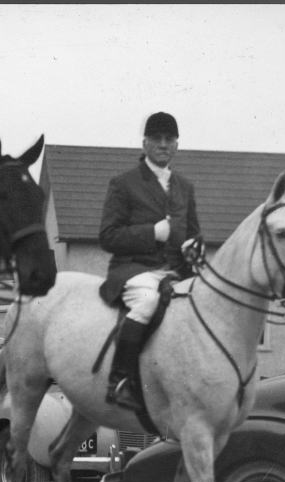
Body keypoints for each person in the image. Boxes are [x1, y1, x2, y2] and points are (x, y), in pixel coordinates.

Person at [98, 111, 200, 411]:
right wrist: (153, 232)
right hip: (134, 270)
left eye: (170, 139)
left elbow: (193, 233)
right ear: (145, 144)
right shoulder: (123, 183)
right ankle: (119, 380)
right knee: (147, 302)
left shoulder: (185, 187)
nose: (164, 144)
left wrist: (196, 248)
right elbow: (108, 236)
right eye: (157, 139)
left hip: (175, 272)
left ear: (177, 146)